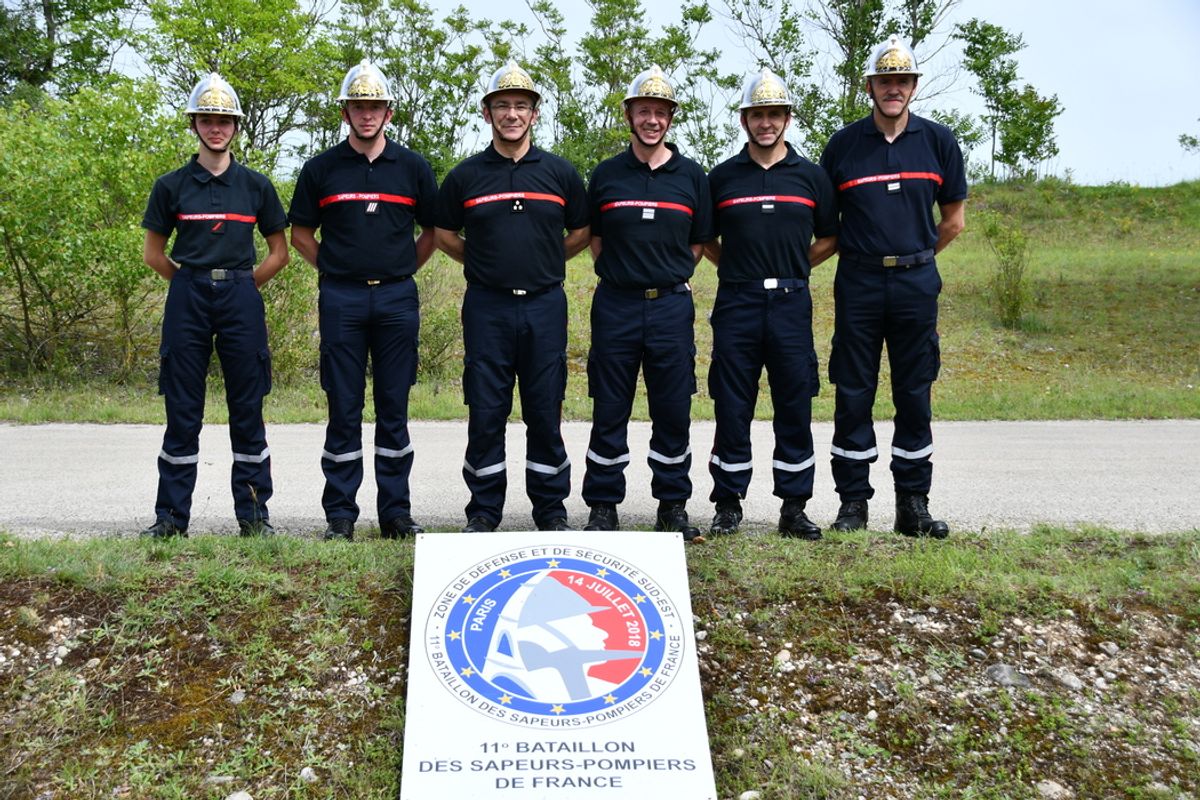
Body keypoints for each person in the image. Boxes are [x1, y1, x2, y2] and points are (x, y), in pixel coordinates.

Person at [819, 36, 966, 538]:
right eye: (885, 81)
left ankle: (913, 505)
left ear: (913, 87)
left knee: (914, 391)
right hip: (858, 279)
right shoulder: (842, 145)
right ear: (870, 86)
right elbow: (826, 223)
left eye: (902, 81)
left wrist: (914, 259)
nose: (893, 89)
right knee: (854, 391)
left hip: (915, 282)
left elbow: (953, 221)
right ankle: (853, 504)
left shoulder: (939, 142)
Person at [434, 61, 589, 532]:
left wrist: (544, 260)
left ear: (535, 114)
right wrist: (484, 263)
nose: (512, 114)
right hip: (488, 305)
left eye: (521, 106)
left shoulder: (561, 174)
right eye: (502, 105)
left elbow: (581, 232)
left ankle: (550, 509)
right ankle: (483, 510)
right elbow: (443, 234)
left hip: (545, 303)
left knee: (545, 408)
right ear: (487, 113)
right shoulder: (465, 176)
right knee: (486, 410)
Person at [289, 59, 437, 541]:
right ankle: (340, 515)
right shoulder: (321, 169)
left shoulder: (413, 167)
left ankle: (395, 512)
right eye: (358, 106)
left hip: (397, 298)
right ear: (345, 112)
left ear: (389, 113)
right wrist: (336, 269)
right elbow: (301, 235)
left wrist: (399, 270)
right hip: (342, 300)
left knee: (394, 406)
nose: (366, 114)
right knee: (343, 405)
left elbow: (433, 232)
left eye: (374, 106)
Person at [138, 72, 289, 539]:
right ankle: (170, 519)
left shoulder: (256, 186)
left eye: (224, 120)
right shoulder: (171, 186)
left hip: (241, 295)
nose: (216, 127)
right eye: (207, 119)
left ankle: (253, 516)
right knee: (183, 411)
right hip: (189, 295)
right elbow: (153, 254)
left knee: (248, 408)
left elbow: (279, 253)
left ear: (236, 127)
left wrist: (241, 285)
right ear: (194, 124)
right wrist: (192, 283)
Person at [581, 65, 714, 541]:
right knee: (610, 406)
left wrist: (667, 276)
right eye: (643, 111)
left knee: (673, 408)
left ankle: (673, 504)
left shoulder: (692, 176)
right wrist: (626, 277)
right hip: (616, 304)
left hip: (670, 308)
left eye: (660, 112)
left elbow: (699, 243)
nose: (651, 120)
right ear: (629, 116)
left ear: (671, 118)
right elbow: (594, 238)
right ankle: (602, 504)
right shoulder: (607, 174)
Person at [704, 69, 837, 541]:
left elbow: (830, 237)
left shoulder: (811, 177)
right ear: (744, 120)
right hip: (737, 300)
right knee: (732, 405)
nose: (766, 123)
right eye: (758, 115)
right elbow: (705, 240)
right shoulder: (720, 178)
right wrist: (737, 267)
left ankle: (795, 506)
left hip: (790, 302)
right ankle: (727, 503)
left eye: (775, 114)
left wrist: (795, 269)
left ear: (787, 118)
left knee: (794, 403)